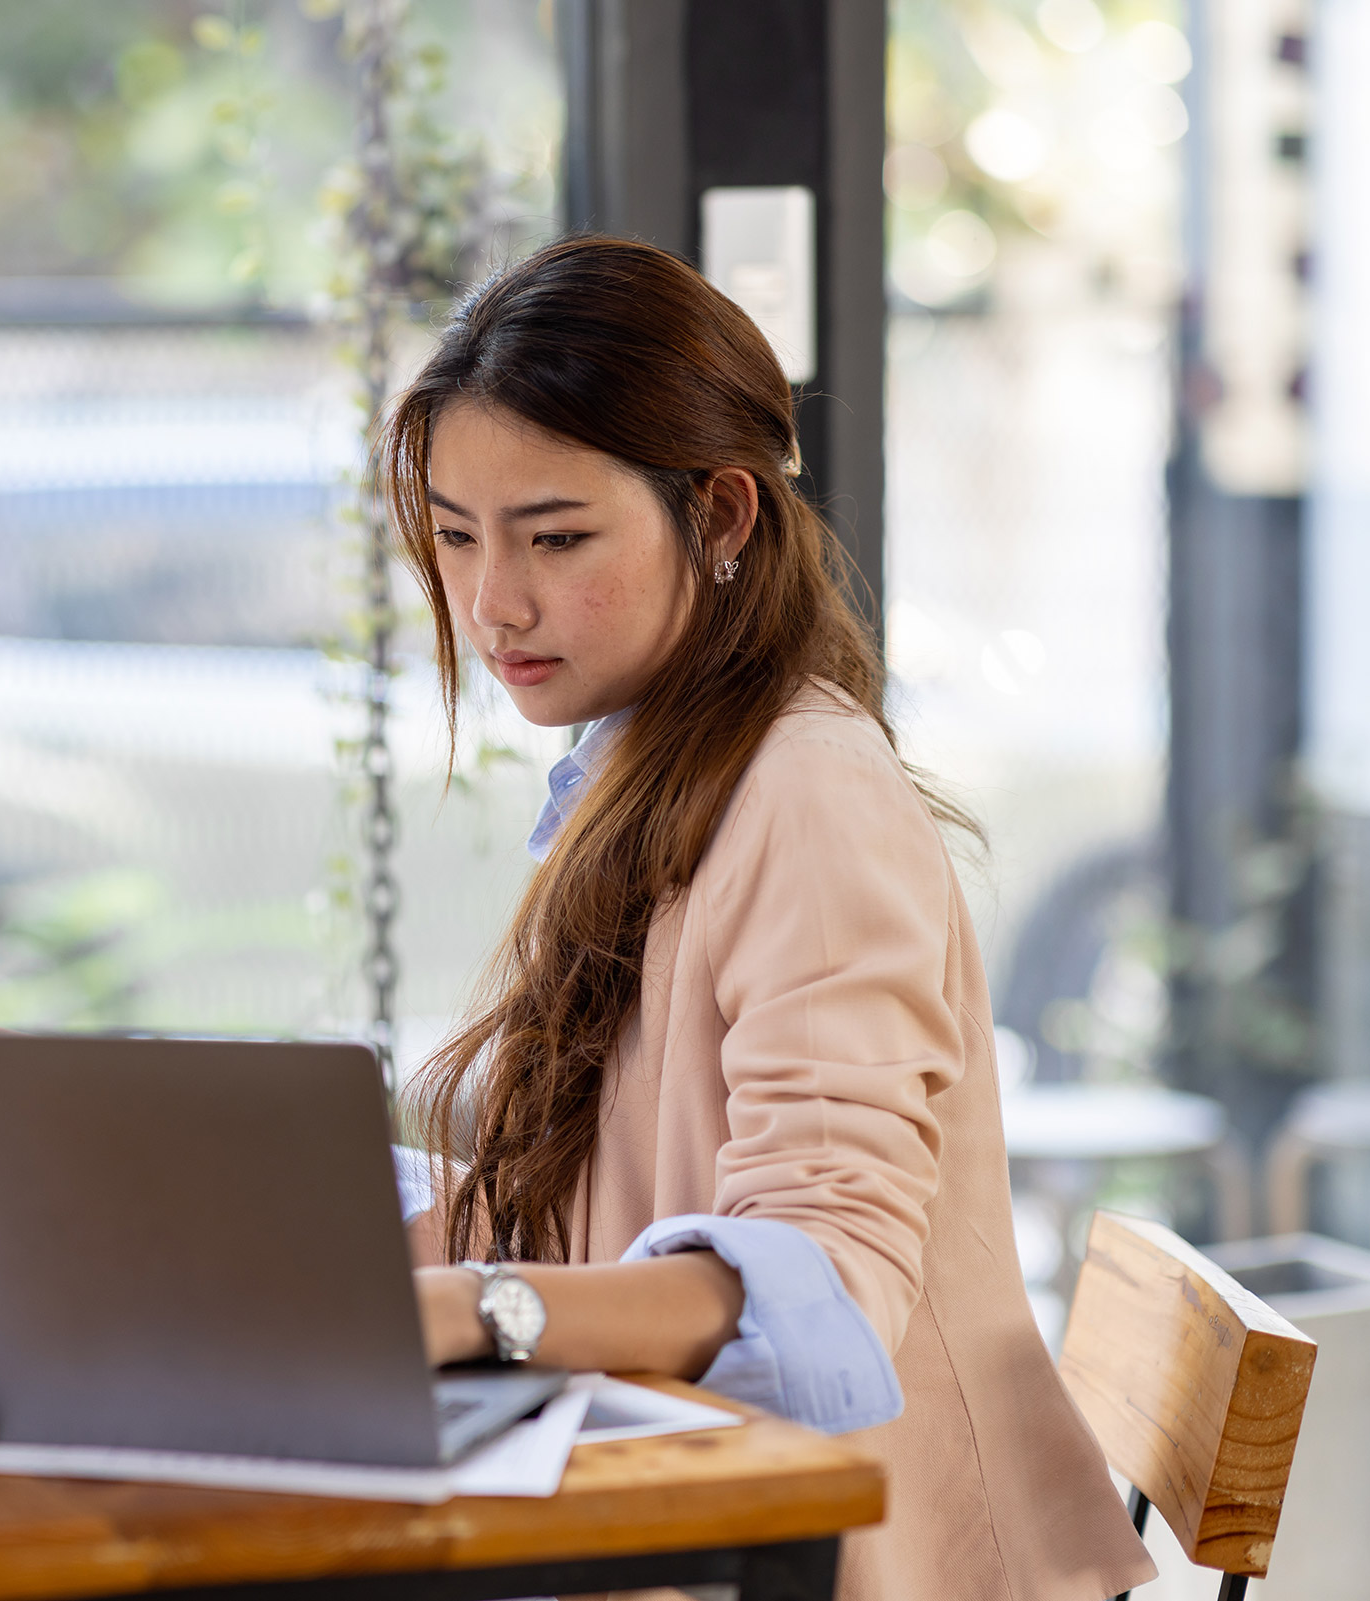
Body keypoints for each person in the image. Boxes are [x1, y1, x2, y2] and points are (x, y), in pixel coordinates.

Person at [379, 236, 1155, 1601]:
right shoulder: (647, 767)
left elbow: (819, 1278)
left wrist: (478, 1306)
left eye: (556, 537)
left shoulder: (810, 794)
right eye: (454, 534)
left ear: (725, 516)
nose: (493, 600)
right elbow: (618, 1200)